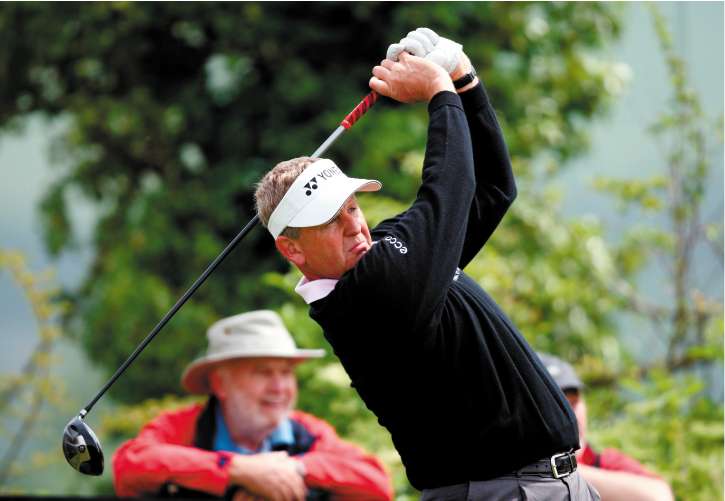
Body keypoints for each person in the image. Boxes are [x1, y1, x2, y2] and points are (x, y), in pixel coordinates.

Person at [254, 28, 599, 500]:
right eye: (330, 221)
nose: (355, 226)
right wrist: (439, 92)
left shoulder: (391, 253)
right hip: (495, 493)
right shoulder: (364, 299)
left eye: (353, 207)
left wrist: (464, 82)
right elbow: (447, 188)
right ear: (292, 251)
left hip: (549, 485)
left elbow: (492, 191)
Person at [112, 310, 394, 501]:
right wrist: (237, 469)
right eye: (262, 371)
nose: (279, 387)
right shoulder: (183, 426)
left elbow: (378, 483)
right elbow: (129, 467)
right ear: (220, 384)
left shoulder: (306, 430)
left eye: (286, 372)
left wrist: (295, 470)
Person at [538, 353, 674, 501]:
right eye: (558, 406)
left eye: (575, 402)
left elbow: (658, 496)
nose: (571, 415)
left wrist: (558, 469)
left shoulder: (605, 462)